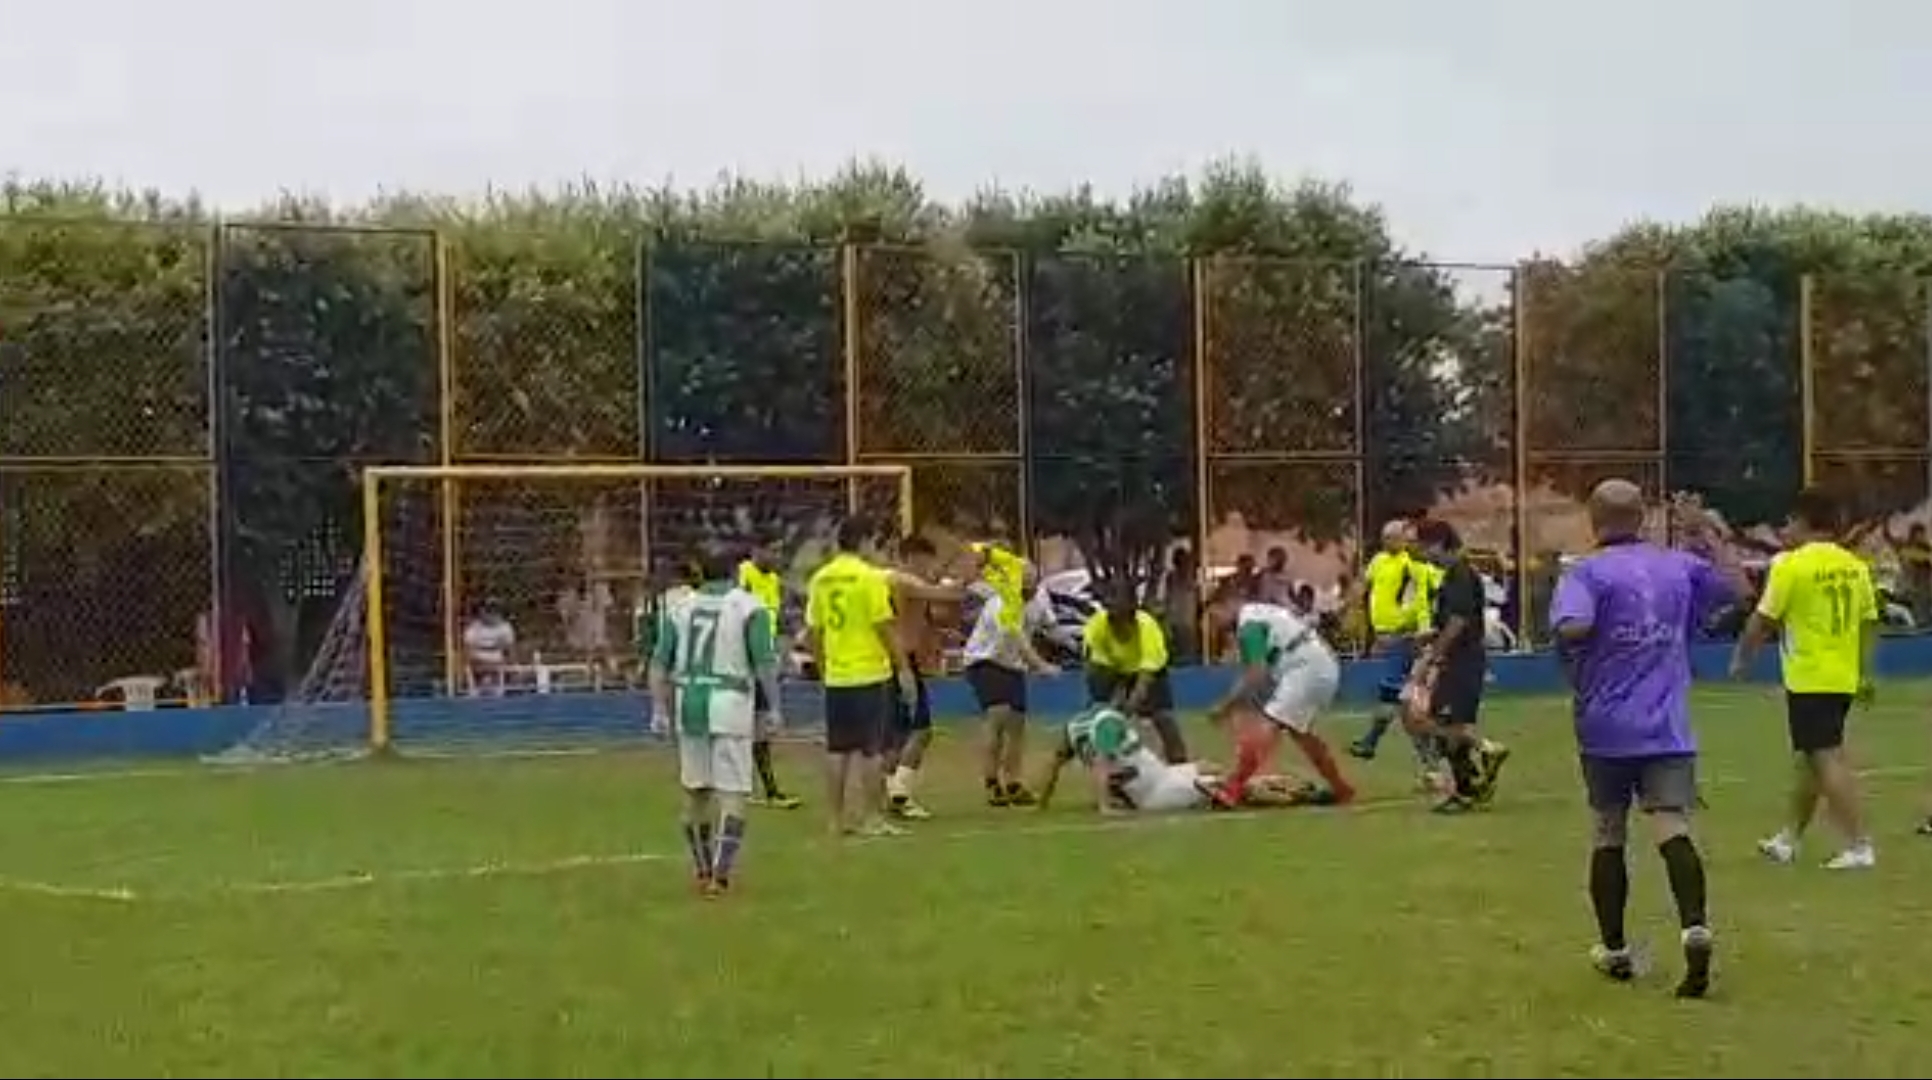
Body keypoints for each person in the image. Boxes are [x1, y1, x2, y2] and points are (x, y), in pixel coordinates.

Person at [1553, 481, 1742, 997]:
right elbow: (1739, 589)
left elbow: (1572, 626)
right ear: (1642, 518)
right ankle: (1695, 928)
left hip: (1605, 724)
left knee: (1608, 831)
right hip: (1667, 725)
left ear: (1594, 521)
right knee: (1670, 826)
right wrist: (1706, 531)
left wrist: (1580, 646)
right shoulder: (1678, 565)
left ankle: (1614, 950)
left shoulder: (1586, 572)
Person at [1732, 486, 1879, 870]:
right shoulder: (1855, 566)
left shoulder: (1791, 565)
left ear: (1802, 521)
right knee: (1811, 759)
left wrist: (1742, 658)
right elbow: (1868, 624)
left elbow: (1763, 618)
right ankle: (1789, 839)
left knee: (1825, 758)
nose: (1785, 529)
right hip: (1842, 675)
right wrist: (1863, 672)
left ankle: (1859, 844)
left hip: (1810, 675)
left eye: (1789, 521)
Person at [648, 551, 779, 897]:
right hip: (730, 702)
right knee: (733, 793)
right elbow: (764, 662)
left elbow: (659, 664)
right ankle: (720, 876)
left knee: (695, 794)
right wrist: (774, 707)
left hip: (689, 702)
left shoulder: (678, 607)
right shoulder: (749, 607)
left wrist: (659, 710)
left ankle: (702, 868)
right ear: (736, 572)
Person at [1203, 577, 1356, 808]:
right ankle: (1341, 788)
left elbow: (1256, 673)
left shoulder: (1248, 624)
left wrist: (1225, 706)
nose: (1214, 623)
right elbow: (1256, 673)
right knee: (1301, 734)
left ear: (1229, 603)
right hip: (1318, 664)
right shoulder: (1258, 614)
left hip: (1306, 668)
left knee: (1269, 725)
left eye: (1214, 615)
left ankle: (1232, 788)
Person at [805, 517, 910, 838]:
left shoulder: (821, 579)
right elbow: (884, 628)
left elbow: (814, 632)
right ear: (864, 541)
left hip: (838, 676)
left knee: (837, 750)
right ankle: (872, 818)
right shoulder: (869, 578)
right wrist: (902, 667)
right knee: (871, 750)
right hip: (869, 673)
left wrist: (824, 670)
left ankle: (834, 820)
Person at [1034, 704, 1332, 814]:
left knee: (1211, 768)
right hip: (1156, 790)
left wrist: (1042, 803)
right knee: (1232, 788)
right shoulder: (1107, 721)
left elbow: (1054, 764)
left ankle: (1297, 787)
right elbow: (1101, 765)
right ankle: (1305, 796)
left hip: (1161, 776)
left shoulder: (1074, 728)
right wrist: (1105, 806)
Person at [1405, 519, 1507, 812]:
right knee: (1448, 727)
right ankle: (1467, 789)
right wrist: (1430, 634)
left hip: (1463, 661)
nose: (1419, 552)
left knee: (1436, 721)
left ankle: (1486, 748)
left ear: (1437, 544)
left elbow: (1459, 621)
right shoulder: (1450, 575)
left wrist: (1436, 653)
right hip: (1459, 658)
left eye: (1421, 545)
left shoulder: (1460, 574)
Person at [879, 535, 965, 820]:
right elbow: (949, 596)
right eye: (926, 559)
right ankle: (899, 793)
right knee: (920, 730)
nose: (929, 565)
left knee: (898, 734)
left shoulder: (897, 581)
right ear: (912, 558)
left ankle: (891, 793)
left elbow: (939, 615)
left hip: (897, 661)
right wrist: (965, 576)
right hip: (898, 662)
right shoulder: (901, 580)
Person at [961, 561, 1059, 807]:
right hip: (985, 661)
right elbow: (1021, 643)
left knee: (1017, 724)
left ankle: (1014, 783)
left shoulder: (1039, 600)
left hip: (1012, 665)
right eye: (1024, 579)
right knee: (998, 716)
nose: (1030, 584)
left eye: (1033, 578)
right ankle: (992, 783)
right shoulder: (1002, 605)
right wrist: (1042, 666)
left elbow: (1050, 627)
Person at [1351, 521, 1432, 766]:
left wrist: (1421, 630)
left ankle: (1371, 741)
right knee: (1403, 703)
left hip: (1403, 636)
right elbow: (1366, 587)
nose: (1387, 542)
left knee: (1392, 693)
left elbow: (1420, 600)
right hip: (1385, 635)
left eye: (1393, 537)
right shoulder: (1378, 561)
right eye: (1385, 537)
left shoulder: (1411, 565)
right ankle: (1429, 760)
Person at [1081, 586, 1189, 763]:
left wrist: (1130, 706)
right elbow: (1093, 669)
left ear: (1132, 622)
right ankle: (1102, 756)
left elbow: (1145, 681)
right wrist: (1101, 706)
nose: (1117, 631)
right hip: (1115, 667)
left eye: (1121, 627)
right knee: (1101, 710)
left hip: (1148, 670)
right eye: (1113, 624)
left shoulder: (1148, 628)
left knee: (1163, 716)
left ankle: (1179, 761)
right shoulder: (1098, 625)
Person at [736, 544, 801, 809]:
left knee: (761, 725)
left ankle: (768, 790)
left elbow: (773, 619)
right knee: (745, 725)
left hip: (764, 654)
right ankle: (746, 786)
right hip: (744, 658)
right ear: (756, 550)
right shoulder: (744, 573)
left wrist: (778, 651)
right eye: (771, 551)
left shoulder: (773, 580)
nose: (775, 557)